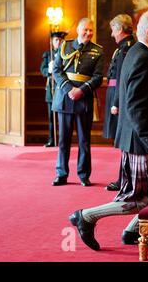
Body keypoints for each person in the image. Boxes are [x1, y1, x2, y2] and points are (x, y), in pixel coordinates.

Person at [69, 11, 148, 250]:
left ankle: (133, 231)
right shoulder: (142, 58)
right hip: (143, 143)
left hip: (147, 140)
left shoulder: (142, 53)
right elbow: (136, 108)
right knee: (138, 200)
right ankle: (86, 217)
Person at [51, 18, 104, 187]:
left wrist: (81, 90)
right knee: (63, 140)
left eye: (91, 31)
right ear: (78, 30)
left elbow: (97, 77)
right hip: (65, 98)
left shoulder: (98, 51)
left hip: (84, 99)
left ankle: (83, 175)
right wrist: (69, 89)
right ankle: (61, 174)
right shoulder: (65, 46)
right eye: (85, 30)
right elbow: (57, 71)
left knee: (84, 141)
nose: (88, 33)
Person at [102, 14, 135, 191]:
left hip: (119, 97)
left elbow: (122, 79)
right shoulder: (124, 47)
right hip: (116, 95)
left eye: (114, 29)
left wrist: (117, 103)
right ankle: (124, 178)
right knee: (123, 141)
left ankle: (124, 179)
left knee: (124, 141)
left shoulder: (126, 49)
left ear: (121, 29)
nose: (112, 34)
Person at [40, 31, 67, 147]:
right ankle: (52, 139)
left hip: (62, 88)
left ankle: (63, 140)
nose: (59, 42)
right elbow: (43, 70)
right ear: (52, 42)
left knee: (63, 117)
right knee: (51, 117)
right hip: (51, 88)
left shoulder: (67, 54)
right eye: (56, 40)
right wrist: (49, 70)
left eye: (61, 40)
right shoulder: (48, 54)